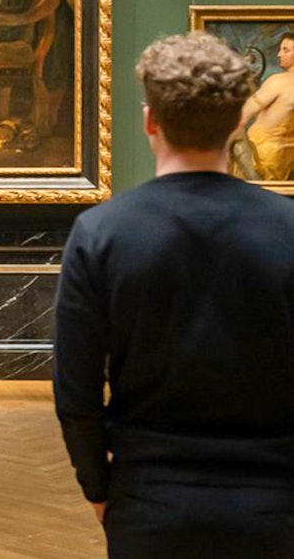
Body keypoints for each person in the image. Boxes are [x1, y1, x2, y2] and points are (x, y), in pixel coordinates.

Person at [53, 31, 294, 558]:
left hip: (149, 503)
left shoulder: (101, 233)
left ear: (150, 121)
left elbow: (77, 394)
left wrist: (99, 489)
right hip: (275, 506)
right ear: (236, 124)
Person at [234, 31, 294, 181]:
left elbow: (243, 114)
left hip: (261, 158)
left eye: (286, 50)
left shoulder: (278, 81)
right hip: (286, 162)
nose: (279, 54)